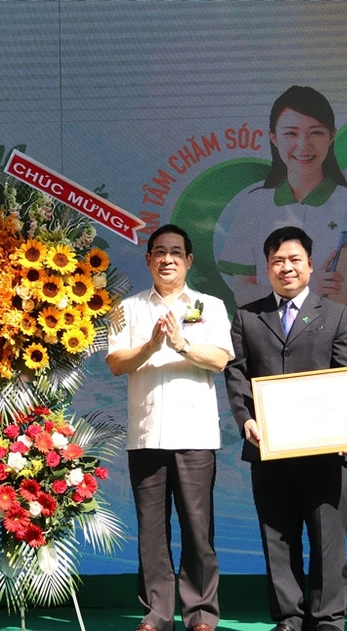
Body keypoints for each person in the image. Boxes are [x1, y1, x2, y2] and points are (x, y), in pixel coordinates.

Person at [224, 227, 347, 631]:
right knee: (278, 535)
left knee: (328, 536)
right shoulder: (248, 316)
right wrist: (246, 418)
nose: (286, 267)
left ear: (311, 265)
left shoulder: (336, 314)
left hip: (324, 448)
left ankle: (328, 618)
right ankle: (289, 617)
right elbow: (236, 373)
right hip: (268, 444)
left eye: (294, 259)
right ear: (267, 268)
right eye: (277, 261)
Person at [106, 224, 234, 631]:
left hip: (195, 433)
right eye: (159, 252)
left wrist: (182, 345)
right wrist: (149, 347)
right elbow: (116, 363)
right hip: (146, 434)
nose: (167, 259)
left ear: (189, 260)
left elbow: (220, 359)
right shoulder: (127, 308)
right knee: (151, 530)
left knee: (198, 527)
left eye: (176, 252)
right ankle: (158, 613)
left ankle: (201, 614)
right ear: (148, 260)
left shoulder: (210, 305)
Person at [216, 85, 347, 327]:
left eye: (316, 133)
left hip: (337, 343)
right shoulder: (253, 205)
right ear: (274, 138)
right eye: (290, 133)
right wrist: (303, 290)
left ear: (331, 136)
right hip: (271, 338)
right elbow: (243, 291)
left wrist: (334, 327)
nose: (303, 145)